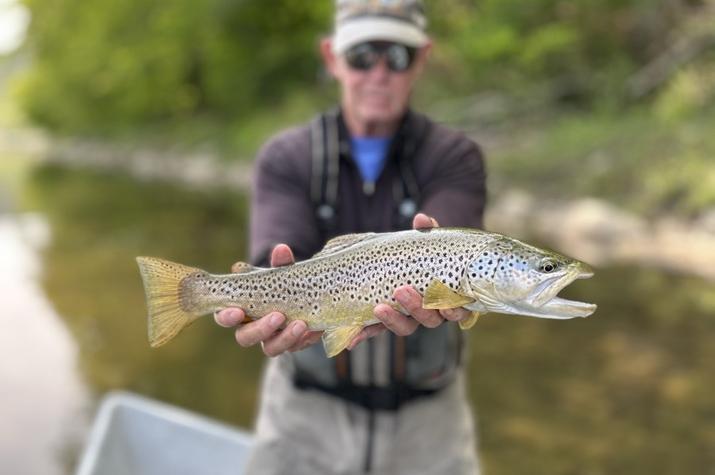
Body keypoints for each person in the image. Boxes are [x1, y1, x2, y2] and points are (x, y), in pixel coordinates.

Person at [215, 1, 486, 473]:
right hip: (303, 414)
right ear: (331, 57)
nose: (379, 73)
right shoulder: (287, 157)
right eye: (362, 55)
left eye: (397, 56)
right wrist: (266, 308)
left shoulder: (455, 156)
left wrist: (442, 268)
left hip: (428, 422)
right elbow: (273, 254)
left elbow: (457, 254)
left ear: (421, 59)